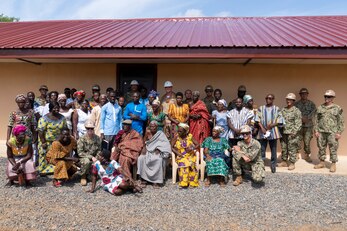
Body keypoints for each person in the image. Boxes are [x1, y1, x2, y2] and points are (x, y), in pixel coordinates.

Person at [314, 90, 344, 173]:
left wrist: (339, 132)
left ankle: (333, 164)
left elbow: (341, 121)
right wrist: (316, 130)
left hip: (332, 132)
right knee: (321, 147)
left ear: (333, 98)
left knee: (333, 148)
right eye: (325, 96)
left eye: (329, 96)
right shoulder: (320, 108)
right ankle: (322, 162)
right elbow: (316, 120)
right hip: (321, 132)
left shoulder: (337, 108)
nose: (326, 98)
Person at [255, 94, 284, 173]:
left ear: (273, 99)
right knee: (262, 149)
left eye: (270, 98)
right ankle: (261, 164)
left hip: (273, 131)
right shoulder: (261, 108)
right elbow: (257, 119)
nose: (268, 99)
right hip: (263, 131)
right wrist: (262, 128)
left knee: (273, 149)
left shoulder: (276, 109)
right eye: (267, 98)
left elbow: (280, 119)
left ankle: (273, 165)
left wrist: (272, 125)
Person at [137, 121, 172, 188]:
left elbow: (165, 143)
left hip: (157, 151)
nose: (152, 128)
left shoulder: (160, 134)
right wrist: (144, 148)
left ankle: (156, 181)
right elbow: (144, 142)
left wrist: (159, 149)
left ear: (157, 127)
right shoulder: (147, 133)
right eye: (151, 126)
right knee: (141, 158)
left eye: (154, 126)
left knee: (158, 159)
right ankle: (144, 179)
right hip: (148, 149)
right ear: (149, 127)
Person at [37, 102, 67, 175]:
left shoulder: (62, 118)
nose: (56, 109)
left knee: (56, 156)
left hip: (57, 141)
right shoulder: (44, 118)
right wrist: (43, 142)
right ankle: (43, 171)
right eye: (54, 108)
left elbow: (64, 129)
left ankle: (54, 170)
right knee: (44, 155)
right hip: (46, 141)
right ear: (50, 109)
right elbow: (41, 131)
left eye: (57, 108)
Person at [278, 93, 302, 170]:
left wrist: (294, 131)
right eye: (287, 99)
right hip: (283, 132)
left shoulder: (296, 111)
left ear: (293, 101)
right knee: (284, 147)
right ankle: (284, 161)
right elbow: (279, 120)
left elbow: (298, 123)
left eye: (290, 100)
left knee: (292, 148)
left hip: (292, 133)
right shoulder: (283, 110)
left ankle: (292, 163)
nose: (288, 101)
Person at [171, 123, 199, 188]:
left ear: (185, 131)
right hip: (181, 155)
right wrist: (177, 153)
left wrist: (192, 148)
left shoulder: (190, 136)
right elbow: (171, 147)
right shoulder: (176, 137)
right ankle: (184, 183)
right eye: (178, 131)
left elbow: (198, 144)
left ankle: (192, 182)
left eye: (180, 131)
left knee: (191, 163)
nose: (179, 132)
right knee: (183, 163)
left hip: (190, 155)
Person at [295, 88, 316, 162]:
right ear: (300, 95)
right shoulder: (296, 104)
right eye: (302, 94)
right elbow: (294, 112)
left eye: (305, 93)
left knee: (307, 141)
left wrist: (307, 118)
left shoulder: (311, 104)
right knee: (297, 140)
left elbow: (313, 112)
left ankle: (307, 155)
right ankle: (296, 153)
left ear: (307, 94)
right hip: (298, 125)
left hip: (308, 126)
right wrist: (301, 118)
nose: (303, 95)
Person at [77, 121, 102, 186]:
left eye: (92, 128)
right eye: (88, 128)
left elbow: (99, 150)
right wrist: (91, 157)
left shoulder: (97, 138)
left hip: (94, 157)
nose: (90, 130)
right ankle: (83, 176)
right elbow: (80, 152)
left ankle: (90, 174)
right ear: (86, 129)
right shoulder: (82, 139)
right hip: (84, 157)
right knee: (87, 161)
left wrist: (96, 158)